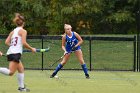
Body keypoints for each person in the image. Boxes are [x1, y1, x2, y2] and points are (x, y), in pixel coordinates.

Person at [0, 13, 36, 92]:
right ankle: (21, 88)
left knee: (21, 69)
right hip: (15, 53)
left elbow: (6, 42)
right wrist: (31, 49)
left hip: (12, 52)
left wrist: (14, 46)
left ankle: (21, 88)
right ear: (24, 23)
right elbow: (24, 43)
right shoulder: (23, 31)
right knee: (11, 72)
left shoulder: (13, 31)